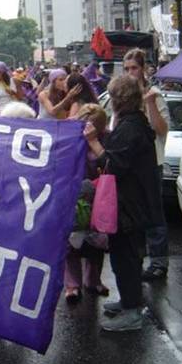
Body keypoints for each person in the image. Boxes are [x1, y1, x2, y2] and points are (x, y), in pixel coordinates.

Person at [84, 75, 161, 331]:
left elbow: (114, 164)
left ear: (119, 99)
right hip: (133, 203)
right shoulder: (134, 123)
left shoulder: (130, 128)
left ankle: (132, 312)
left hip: (130, 206)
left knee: (126, 258)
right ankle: (130, 301)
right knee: (125, 257)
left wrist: (93, 142)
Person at [122, 48, 170, 281]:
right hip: (129, 163)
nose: (131, 73)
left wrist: (149, 103)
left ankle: (159, 261)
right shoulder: (122, 96)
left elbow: (161, 131)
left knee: (153, 212)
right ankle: (136, 260)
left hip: (152, 162)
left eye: (134, 68)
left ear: (143, 69)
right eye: (127, 68)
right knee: (133, 213)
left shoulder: (154, 94)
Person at [64, 104, 109, 302]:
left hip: (99, 196)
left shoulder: (107, 138)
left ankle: (93, 280)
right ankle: (72, 285)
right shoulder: (69, 137)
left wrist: (93, 142)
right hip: (73, 194)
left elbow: (109, 162)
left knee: (97, 241)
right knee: (72, 243)